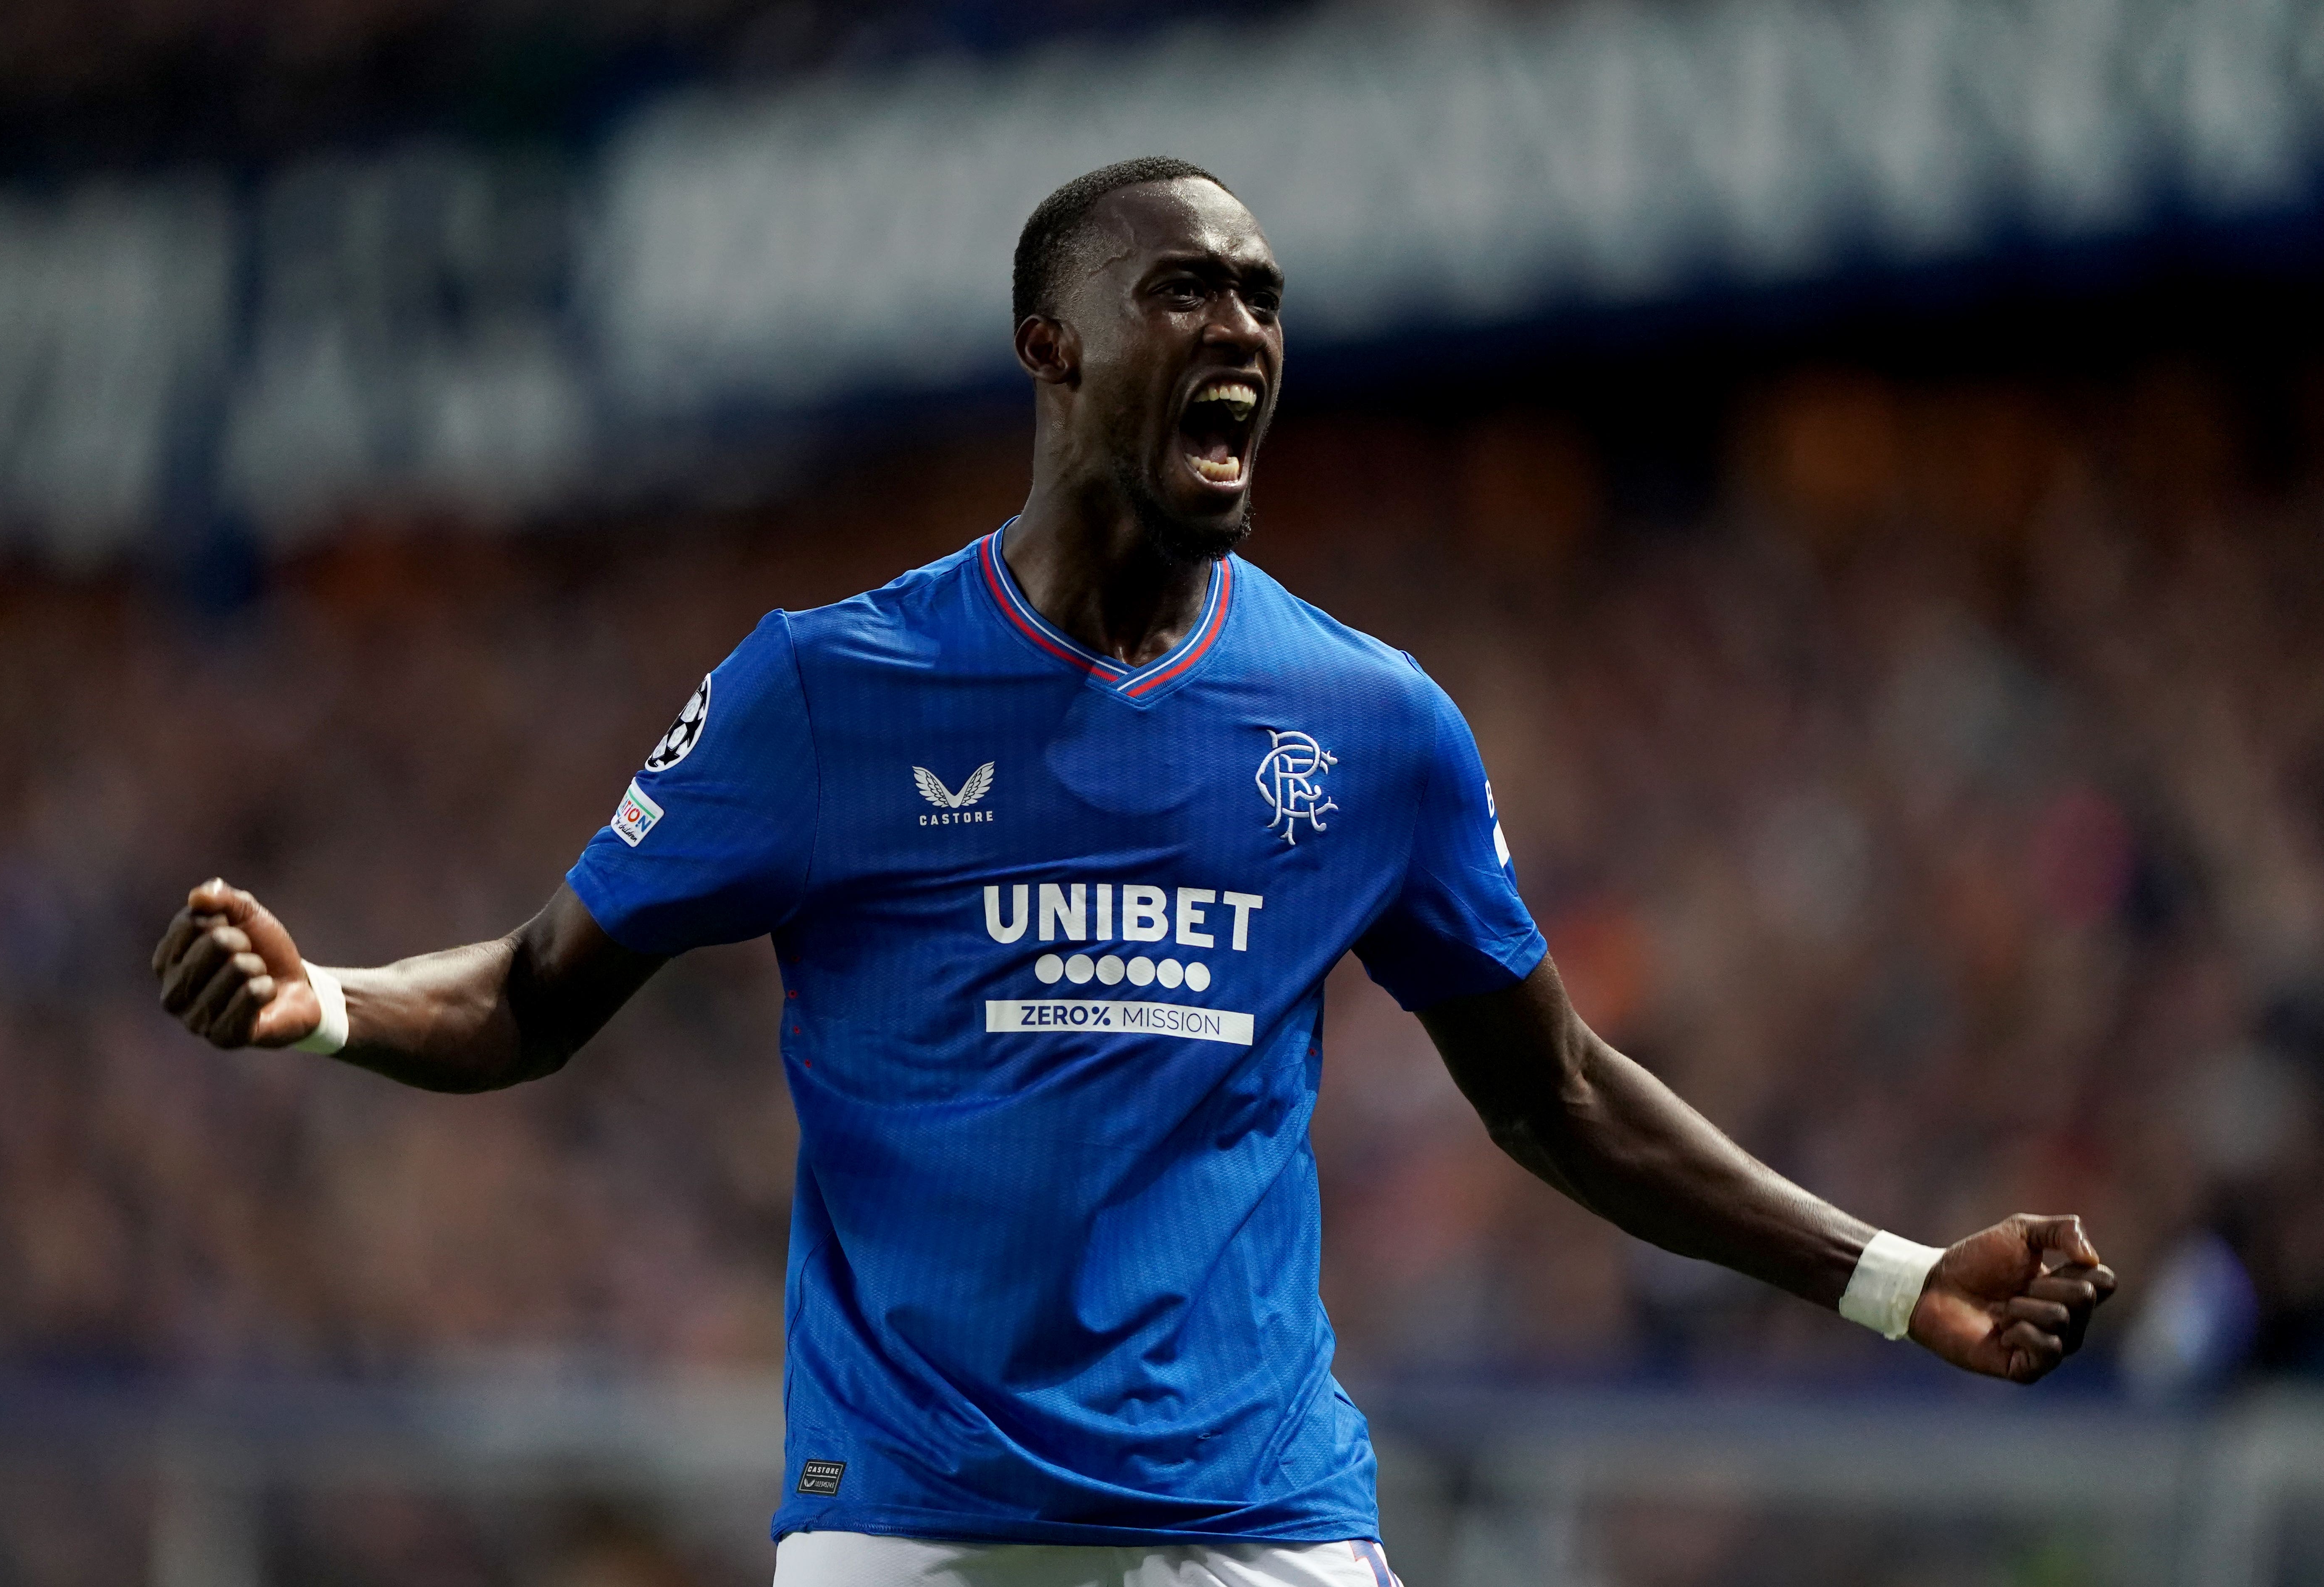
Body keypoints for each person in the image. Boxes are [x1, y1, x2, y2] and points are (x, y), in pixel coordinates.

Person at [152, 157, 2117, 1587]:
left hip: (1254, 1525)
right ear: (1052, 345)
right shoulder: (826, 690)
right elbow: (526, 994)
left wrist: (1884, 1278)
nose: (1241, 329)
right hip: (911, 1528)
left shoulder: (1368, 725)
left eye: (1262, 297)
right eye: (1183, 290)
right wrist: (322, 1004)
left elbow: (1559, 1093)